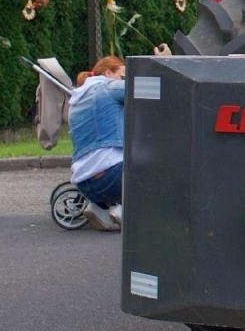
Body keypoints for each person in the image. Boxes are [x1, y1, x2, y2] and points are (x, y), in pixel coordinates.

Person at [67, 45, 170, 230]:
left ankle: (100, 207)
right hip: (112, 177)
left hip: (83, 183)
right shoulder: (108, 87)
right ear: (108, 72)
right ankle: (126, 210)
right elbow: (153, 88)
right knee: (161, 163)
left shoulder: (77, 99)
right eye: (124, 76)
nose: (125, 80)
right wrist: (164, 62)